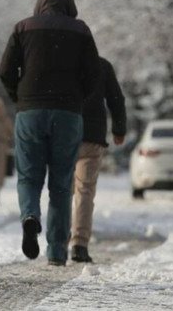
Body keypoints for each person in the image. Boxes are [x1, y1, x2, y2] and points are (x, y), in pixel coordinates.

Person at [0, 0, 99, 266]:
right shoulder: (81, 30)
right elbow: (94, 75)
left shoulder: (23, 28)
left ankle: (30, 215)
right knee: (61, 183)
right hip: (67, 114)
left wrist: (20, 96)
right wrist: (76, 98)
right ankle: (56, 250)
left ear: (41, 3)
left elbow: (5, 70)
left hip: (30, 111)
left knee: (28, 177)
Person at [70, 56, 126, 263]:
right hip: (92, 135)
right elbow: (116, 98)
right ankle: (79, 244)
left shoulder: (61, 61)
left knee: (62, 189)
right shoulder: (102, 65)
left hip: (64, 132)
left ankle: (58, 242)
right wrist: (119, 128)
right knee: (85, 190)